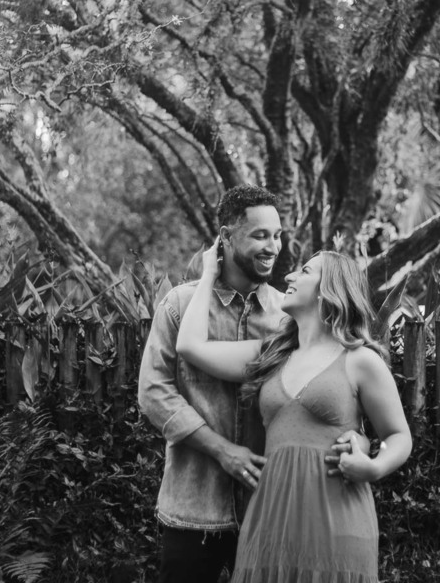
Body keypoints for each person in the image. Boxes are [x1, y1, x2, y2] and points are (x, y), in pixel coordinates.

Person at [138, 185, 366, 583]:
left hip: (273, 510)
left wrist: (357, 440)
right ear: (225, 238)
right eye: (260, 235)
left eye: (277, 235)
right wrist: (223, 450)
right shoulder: (179, 306)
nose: (273, 247)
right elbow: (154, 393)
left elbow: (327, 386)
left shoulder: (290, 316)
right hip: (194, 507)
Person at [177, 238, 412, 583]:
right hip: (269, 522)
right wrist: (210, 273)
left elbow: (399, 435)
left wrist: (373, 466)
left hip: (336, 525)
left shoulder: (360, 360)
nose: (288, 276)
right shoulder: (269, 355)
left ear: (328, 289)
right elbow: (189, 346)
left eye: (304, 271)